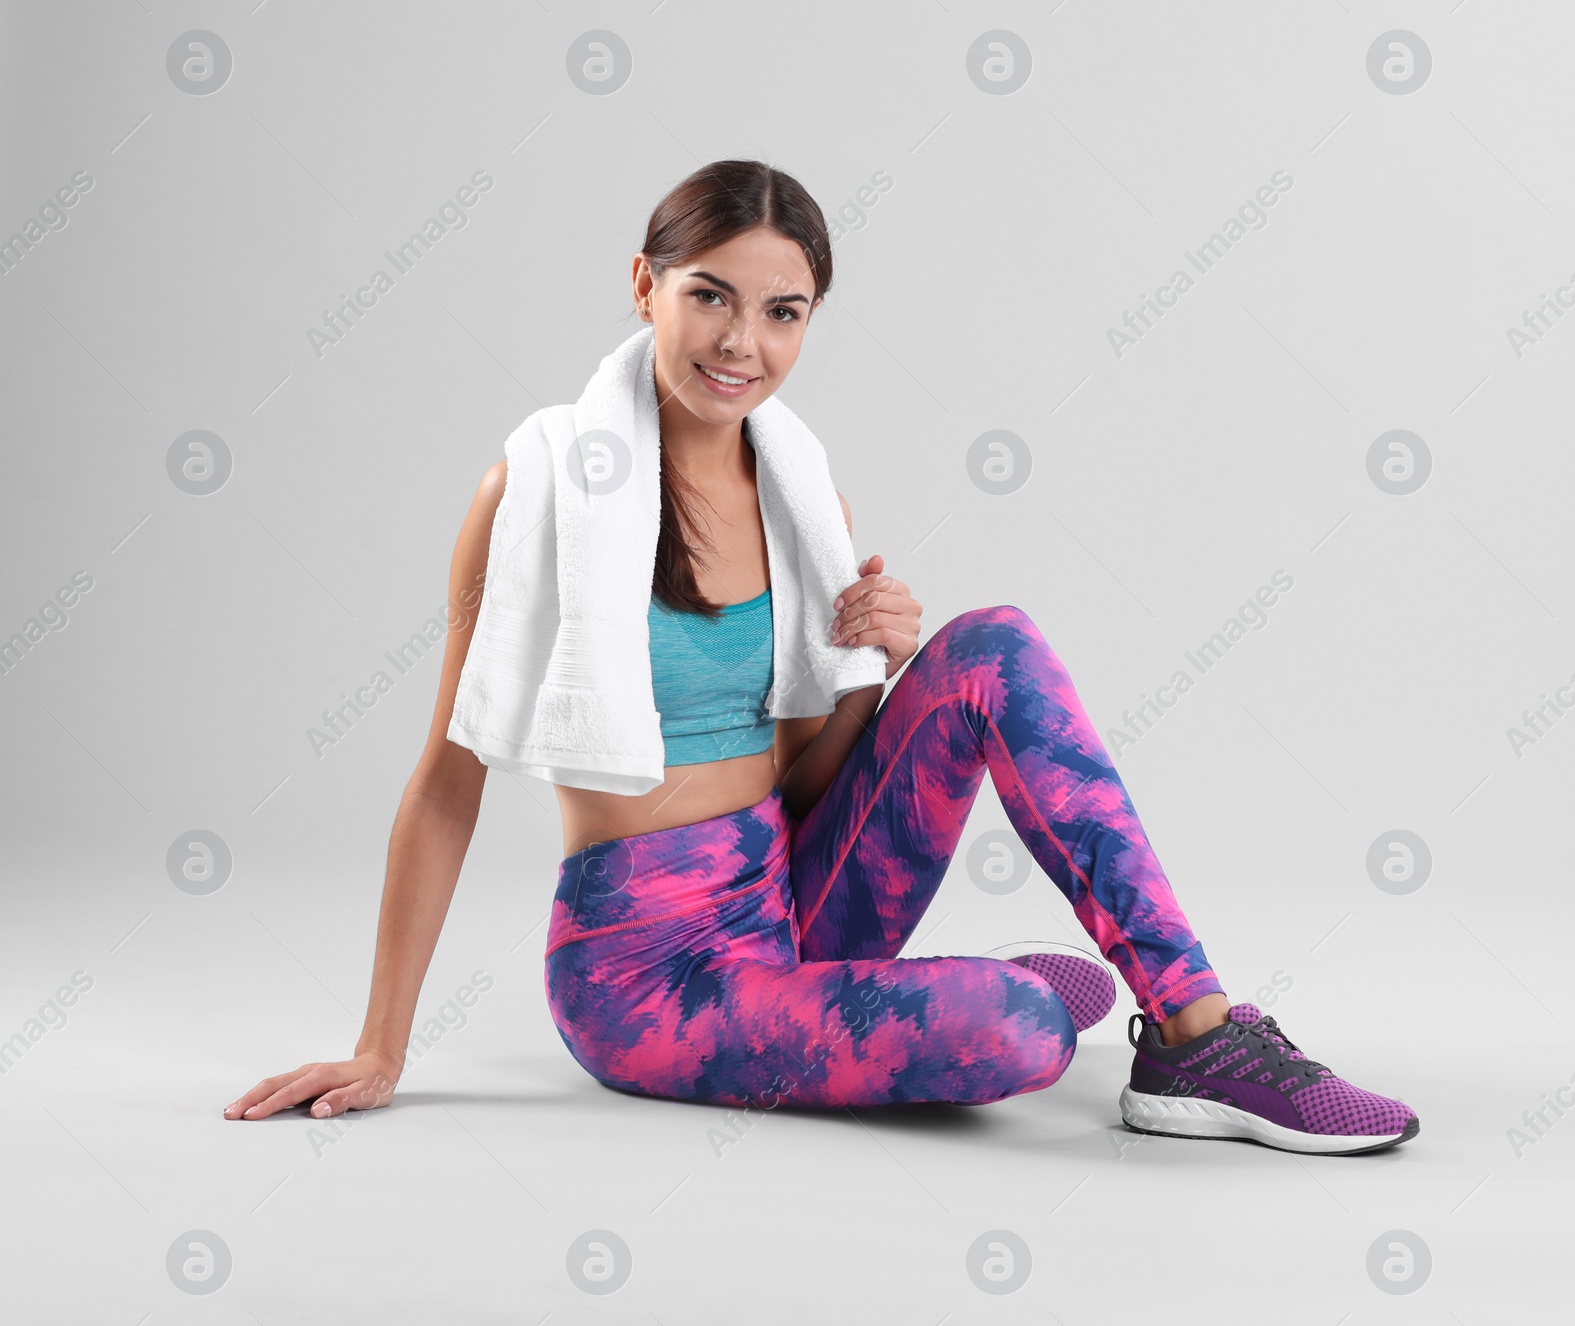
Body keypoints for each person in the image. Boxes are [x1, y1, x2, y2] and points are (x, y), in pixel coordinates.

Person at [225, 160, 1419, 1156]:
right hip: (647, 974)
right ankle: (959, 1002)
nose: (741, 342)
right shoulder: (537, 486)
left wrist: (883, 669)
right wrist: (382, 1044)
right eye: (710, 297)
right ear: (645, 287)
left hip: (791, 894)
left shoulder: (801, 495)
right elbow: (445, 781)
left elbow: (804, 780)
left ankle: (1195, 1034)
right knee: (1019, 1035)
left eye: (782, 312)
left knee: (989, 644)